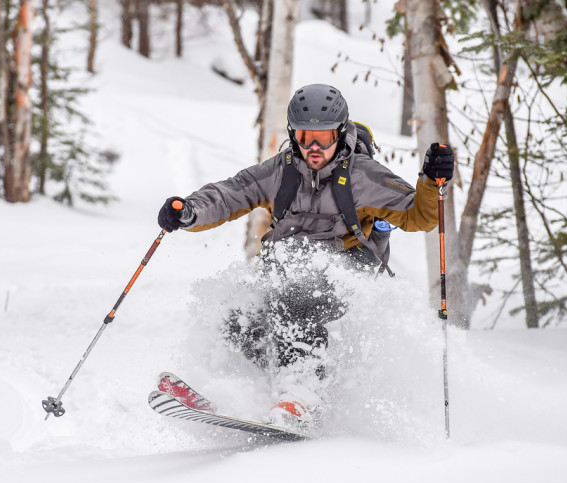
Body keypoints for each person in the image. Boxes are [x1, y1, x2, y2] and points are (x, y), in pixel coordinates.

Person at [157, 83, 454, 425]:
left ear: (340, 135)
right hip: (288, 265)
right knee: (240, 313)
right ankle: (235, 393)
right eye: (304, 136)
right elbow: (232, 193)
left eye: (324, 138)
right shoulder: (282, 170)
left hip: (346, 270)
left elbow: (419, 215)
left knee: (298, 298)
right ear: (292, 134)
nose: (313, 147)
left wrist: (432, 183)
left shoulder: (363, 176)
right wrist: (190, 210)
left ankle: (301, 398)